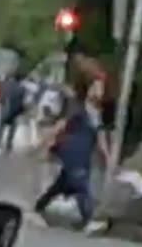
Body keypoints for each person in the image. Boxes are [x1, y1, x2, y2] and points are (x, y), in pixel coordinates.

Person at [34, 80, 109, 231]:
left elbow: (101, 136)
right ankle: (89, 220)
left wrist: (107, 157)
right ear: (89, 91)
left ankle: (38, 208)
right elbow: (60, 126)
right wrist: (45, 143)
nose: (98, 92)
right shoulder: (78, 108)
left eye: (101, 90)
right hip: (73, 154)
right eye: (95, 88)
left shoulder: (97, 114)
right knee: (82, 187)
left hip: (83, 157)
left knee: (62, 185)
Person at [0, 71, 26, 152]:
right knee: (13, 128)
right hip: (14, 110)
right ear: (21, 79)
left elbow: (0, 97)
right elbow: (22, 101)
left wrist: (1, 103)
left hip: (5, 109)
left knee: (1, 126)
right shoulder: (22, 88)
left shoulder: (5, 85)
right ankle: (9, 143)